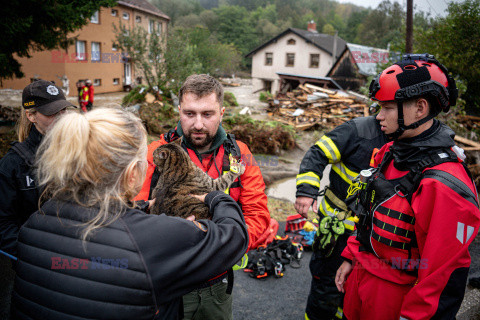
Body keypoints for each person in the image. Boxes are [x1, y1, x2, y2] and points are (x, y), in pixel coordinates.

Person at [11, 108, 248, 320]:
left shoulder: (35, 223)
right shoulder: (153, 239)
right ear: (132, 173)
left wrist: (142, 207)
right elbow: (235, 236)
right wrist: (216, 198)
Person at [335, 54, 480, 320]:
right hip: (361, 280)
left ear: (420, 108)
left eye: (387, 108)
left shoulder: (444, 183)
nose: (378, 116)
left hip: (397, 298)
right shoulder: (389, 152)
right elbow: (369, 215)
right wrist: (350, 256)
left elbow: (443, 275)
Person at [134, 74, 271, 320]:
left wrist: (216, 245)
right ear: (179, 111)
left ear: (222, 112)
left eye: (207, 114)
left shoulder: (240, 155)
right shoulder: (155, 153)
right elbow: (130, 216)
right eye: (189, 114)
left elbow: (257, 215)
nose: (197, 124)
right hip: (165, 284)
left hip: (215, 287)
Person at [295, 113, 387, 320]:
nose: (382, 115)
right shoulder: (359, 130)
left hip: (373, 238)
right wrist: (306, 191)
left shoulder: (411, 142)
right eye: (383, 107)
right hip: (336, 231)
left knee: (358, 286)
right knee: (326, 282)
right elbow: (317, 153)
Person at [0, 79, 74, 318]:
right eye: (53, 113)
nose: (62, 117)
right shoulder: (13, 165)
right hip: (35, 277)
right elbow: (3, 227)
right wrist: (34, 258)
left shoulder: (78, 152)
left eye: (63, 109)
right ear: (32, 116)